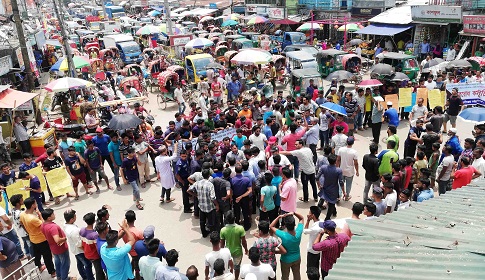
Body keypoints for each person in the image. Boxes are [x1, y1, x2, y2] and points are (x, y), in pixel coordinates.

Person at [20, 197, 56, 277]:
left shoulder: (22, 214)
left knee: (37, 255)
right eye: (35, 203)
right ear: (33, 205)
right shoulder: (33, 218)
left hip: (32, 238)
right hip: (41, 239)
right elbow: (44, 225)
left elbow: (21, 224)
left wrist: (29, 232)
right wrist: (39, 215)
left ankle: (39, 266)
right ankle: (52, 272)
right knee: (47, 256)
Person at [270, 212, 304, 280]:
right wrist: (293, 213)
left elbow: (271, 226)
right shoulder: (299, 232)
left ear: (285, 225)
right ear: (294, 224)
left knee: (285, 277)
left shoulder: (283, 235)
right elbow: (301, 218)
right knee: (297, 275)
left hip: (285, 260)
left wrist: (279, 217)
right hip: (297, 258)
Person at [64, 209, 94, 280]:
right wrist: (86, 250)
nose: (76, 217)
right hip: (79, 250)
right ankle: (89, 278)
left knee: (79, 263)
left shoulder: (66, 225)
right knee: (87, 265)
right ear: (71, 219)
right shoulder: (74, 231)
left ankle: (84, 276)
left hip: (75, 249)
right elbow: (79, 244)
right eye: (75, 216)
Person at [40, 209, 70, 280]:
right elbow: (57, 240)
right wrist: (64, 239)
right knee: (65, 264)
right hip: (60, 248)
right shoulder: (52, 227)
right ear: (49, 218)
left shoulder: (43, 225)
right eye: (53, 214)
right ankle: (65, 278)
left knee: (58, 263)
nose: (54, 215)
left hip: (53, 247)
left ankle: (59, 276)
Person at [188, 169, 219, 237]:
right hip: (209, 207)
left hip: (201, 206)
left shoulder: (197, 183)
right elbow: (213, 197)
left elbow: (188, 190)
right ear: (209, 176)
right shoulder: (210, 185)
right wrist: (217, 205)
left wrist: (196, 195)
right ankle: (213, 235)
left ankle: (204, 234)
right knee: (211, 223)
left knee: (202, 222)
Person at [220, 210, 248, 280]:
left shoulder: (223, 230)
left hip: (227, 252)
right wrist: (246, 249)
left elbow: (222, 243)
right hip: (238, 252)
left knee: (229, 267)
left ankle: (230, 278)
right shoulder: (240, 228)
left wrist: (221, 253)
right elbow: (243, 241)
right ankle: (235, 278)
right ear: (235, 218)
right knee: (237, 267)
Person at [316, 154, 344, 220]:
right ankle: (327, 218)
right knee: (332, 203)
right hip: (334, 190)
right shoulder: (338, 170)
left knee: (329, 202)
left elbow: (317, 177)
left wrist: (319, 185)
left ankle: (334, 212)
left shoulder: (323, 167)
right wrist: (344, 192)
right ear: (335, 161)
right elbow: (341, 182)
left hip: (325, 188)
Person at [336, 137, 359, 201]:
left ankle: (338, 196)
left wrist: (336, 168)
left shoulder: (341, 149)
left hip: (341, 170)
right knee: (348, 185)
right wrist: (357, 171)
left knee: (340, 183)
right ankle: (346, 196)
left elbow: (338, 159)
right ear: (353, 143)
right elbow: (356, 163)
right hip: (350, 171)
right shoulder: (354, 152)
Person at [230, 165, 252, 231]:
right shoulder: (246, 179)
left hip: (236, 198)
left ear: (235, 171)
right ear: (242, 170)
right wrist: (242, 196)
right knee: (245, 212)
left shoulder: (232, 180)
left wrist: (231, 198)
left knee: (237, 212)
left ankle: (237, 225)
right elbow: (250, 190)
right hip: (245, 198)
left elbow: (231, 191)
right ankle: (246, 226)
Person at [303, 206, 323, 271]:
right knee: (316, 267)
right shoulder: (321, 222)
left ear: (313, 215)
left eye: (309, 213)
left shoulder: (314, 229)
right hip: (318, 250)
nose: (308, 214)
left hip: (312, 251)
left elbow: (305, 231)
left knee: (310, 269)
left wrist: (308, 220)